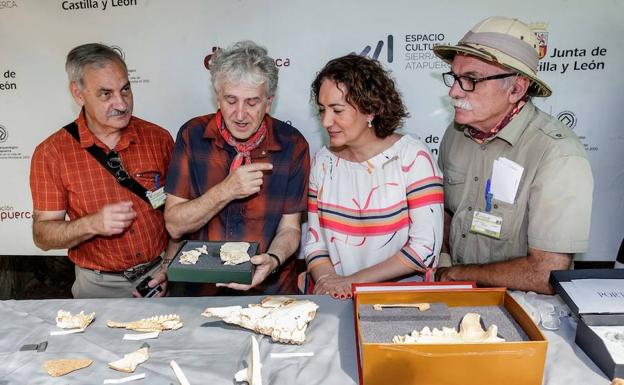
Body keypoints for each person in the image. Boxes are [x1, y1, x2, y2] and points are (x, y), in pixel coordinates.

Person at [433, 16, 593, 294]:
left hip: (524, 309)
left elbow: (547, 273)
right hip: (453, 294)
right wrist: (445, 265)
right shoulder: (455, 134)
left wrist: (456, 275)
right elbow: (446, 211)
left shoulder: (558, 155)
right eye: (455, 77)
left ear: (516, 89)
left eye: (470, 79)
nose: (453, 91)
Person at [30, 43, 175, 298]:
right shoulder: (51, 153)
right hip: (98, 287)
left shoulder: (158, 139)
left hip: (159, 275)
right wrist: (92, 224)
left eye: (126, 89)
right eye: (106, 94)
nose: (121, 103)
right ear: (78, 94)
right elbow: (42, 234)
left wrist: (167, 268)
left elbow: (179, 214)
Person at [164, 41, 309, 295]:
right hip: (199, 291)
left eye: (252, 103)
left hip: (267, 290)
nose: (240, 114)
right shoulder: (192, 136)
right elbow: (175, 225)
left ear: (268, 102)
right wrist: (226, 190)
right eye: (231, 100)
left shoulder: (292, 145)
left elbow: (290, 228)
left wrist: (273, 259)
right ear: (217, 98)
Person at [303, 54, 444, 299]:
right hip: (334, 298)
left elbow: (424, 250)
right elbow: (315, 242)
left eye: (337, 110)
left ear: (370, 109)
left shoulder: (412, 158)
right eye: (322, 110)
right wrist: (329, 283)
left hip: (401, 302)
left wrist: (350, 283)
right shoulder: (323, 161)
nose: (326, 121)